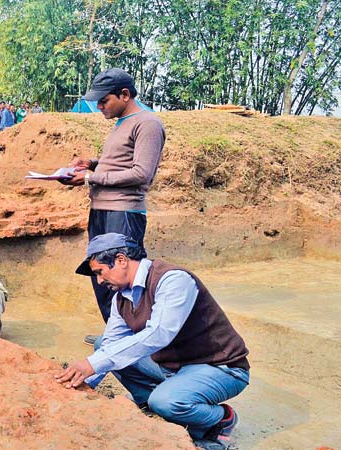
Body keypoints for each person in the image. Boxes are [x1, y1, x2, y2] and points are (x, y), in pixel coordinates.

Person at [55, 233, 249, 449]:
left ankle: (220, 419)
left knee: (166, 402)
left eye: (100, 272)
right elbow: (111, 344)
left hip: (218, 367)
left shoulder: (173, 280)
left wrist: (91, 364)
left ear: (121, 260)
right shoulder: (122, 297)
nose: (99, 281)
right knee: (103, 346)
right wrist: (81, 383)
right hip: (172, 365)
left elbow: (159, 333)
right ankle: (151, 404)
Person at [60, 68, 165, 339]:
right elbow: (119, 162)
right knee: (103, 274)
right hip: (102, 210)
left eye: (104, 100)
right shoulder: (122, 123)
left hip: (124, 212)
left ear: (125, 95)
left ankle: (136, 339)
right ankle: (114, 334)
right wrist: (91, 163)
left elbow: (142, 173)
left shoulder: (148, 124)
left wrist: (91, 177)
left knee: (123, 276)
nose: (99, 107)